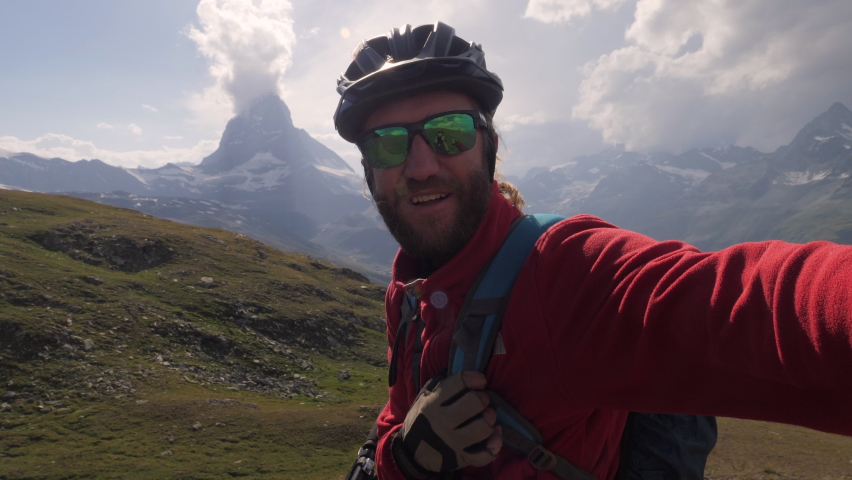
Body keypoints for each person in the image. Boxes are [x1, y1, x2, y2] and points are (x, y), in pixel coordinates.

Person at [333, 22, 852, 480]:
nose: (421, 166)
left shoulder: (563, 273)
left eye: (450, 133)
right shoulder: (409, 292)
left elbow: (754, 300)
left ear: (488, 146)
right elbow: (393, 423)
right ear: (368, 169)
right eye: (388, 143)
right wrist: (407, 456)